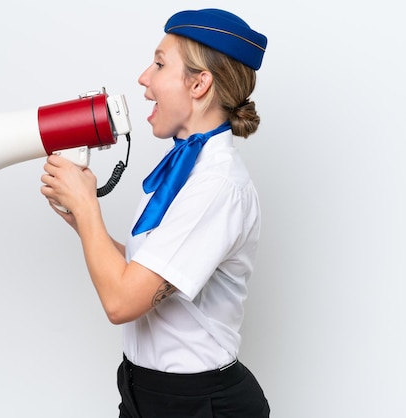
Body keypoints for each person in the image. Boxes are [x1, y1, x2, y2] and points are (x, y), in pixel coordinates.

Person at [41, 8, 270, 418]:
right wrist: (82, 221)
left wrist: (88, 206)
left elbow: (122, 301)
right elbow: (144, 272)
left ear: (200, 84)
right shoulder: (185, 170)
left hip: (198, 405)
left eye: (160, 64)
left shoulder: (218, 186)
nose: (144, 79)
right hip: (145, 392)